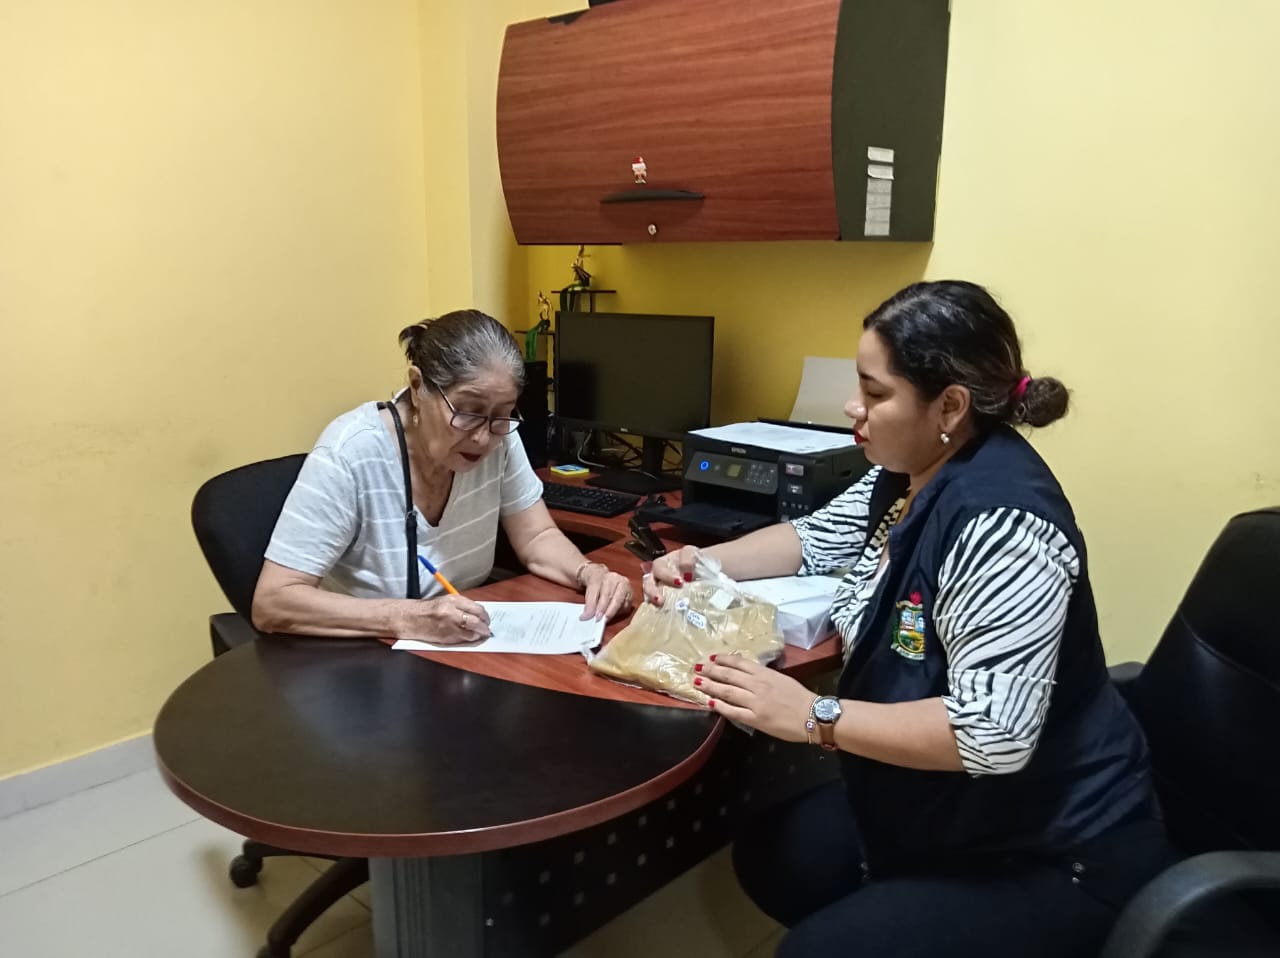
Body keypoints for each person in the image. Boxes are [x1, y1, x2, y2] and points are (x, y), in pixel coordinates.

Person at [642, 281, 1177, 957]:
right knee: (774, 854)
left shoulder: (1003, 527)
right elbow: (814, 538)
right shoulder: (908, 468)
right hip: (946, 803)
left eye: (874, 392)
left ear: (949, 405)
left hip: (1055, 846)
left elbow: (993, 733)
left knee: (814, 950)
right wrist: (701, 562)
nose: (853, 407)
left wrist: (814, 716)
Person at [253, 309, 633, 642]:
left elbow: (537, 537)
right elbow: (273, 602)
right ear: (418, 386)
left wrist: (589, 573)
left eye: (502, 414)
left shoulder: (499, 438)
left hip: (456, 645)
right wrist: (407, 617)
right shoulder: (351, 453)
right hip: (361, 654)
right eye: (468, 411)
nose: (483, 437)